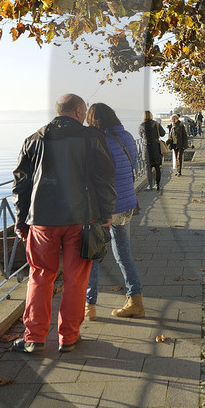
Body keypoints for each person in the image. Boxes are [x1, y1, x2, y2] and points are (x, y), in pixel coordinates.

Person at [10, 94, 116, 355]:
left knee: (39, 276)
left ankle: (33, 338)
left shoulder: (34, 139)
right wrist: (106, 213)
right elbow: (104, 178)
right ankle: (68, 337)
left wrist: (21, 220)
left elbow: (21, 184)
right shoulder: (92, 138)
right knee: (76, 279)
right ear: (79, 111)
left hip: (42, 220)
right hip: (82, 219)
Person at [85, 104, 145, 320]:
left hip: (105, 207)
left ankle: (89, 306)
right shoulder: (127, 136)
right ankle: (135, 300)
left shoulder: (97, 140)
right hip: (127, 202)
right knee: (123, 253)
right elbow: (134, 163)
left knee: (92, 254)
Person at [139, 110, 166, 192]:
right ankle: (158, 185)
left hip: (147, 149)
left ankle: (150, 186)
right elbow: (163, 133)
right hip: (156, 149)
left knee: (149, 169)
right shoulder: (156, 124)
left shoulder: (142, 125)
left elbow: (140, 135)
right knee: (157, 168)